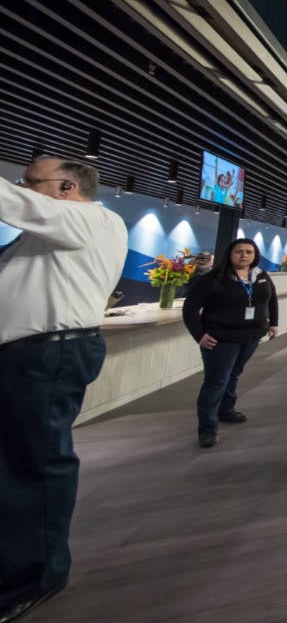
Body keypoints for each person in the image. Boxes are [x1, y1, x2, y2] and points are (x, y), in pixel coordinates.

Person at [0, 157, 127, 622]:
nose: (22, 189)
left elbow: (10, 203)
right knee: (16, 466)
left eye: (30, 182)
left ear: (68, 187)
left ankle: (37, 576)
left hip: (47, 357)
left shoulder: (90, 219)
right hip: (30, 357)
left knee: (36, 466)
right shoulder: (55, 233)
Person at [183, 238, 279, 449]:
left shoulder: (261, 276)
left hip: (251, 336)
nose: (244, 255)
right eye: (239, 251)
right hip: (221, 339)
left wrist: (274, 323)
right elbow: (190, 308)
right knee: (216, 381)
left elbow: (271, 299)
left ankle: (226, 410)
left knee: (234, 374)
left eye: (249, 252)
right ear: (230, 254)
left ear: (255, 255)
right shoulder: (213, 278)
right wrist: (199, 334)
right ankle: (207, 428)